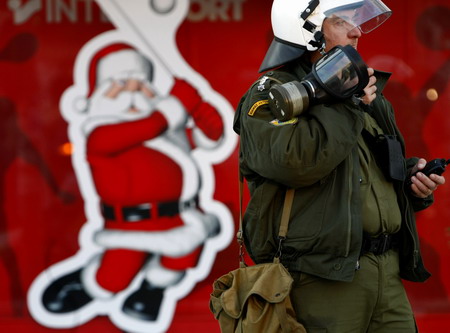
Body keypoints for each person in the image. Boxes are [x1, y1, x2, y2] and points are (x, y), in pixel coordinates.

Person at [232, 0, 446, 332]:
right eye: (342, 21)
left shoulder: (362, 94)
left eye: (357, 21)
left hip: (385, 275)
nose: (357, 31)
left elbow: (362, 176)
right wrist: (346, 101)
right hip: (318, 279)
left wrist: (410, 186)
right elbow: (296, 163)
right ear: (307, 31)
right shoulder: (271, 95)